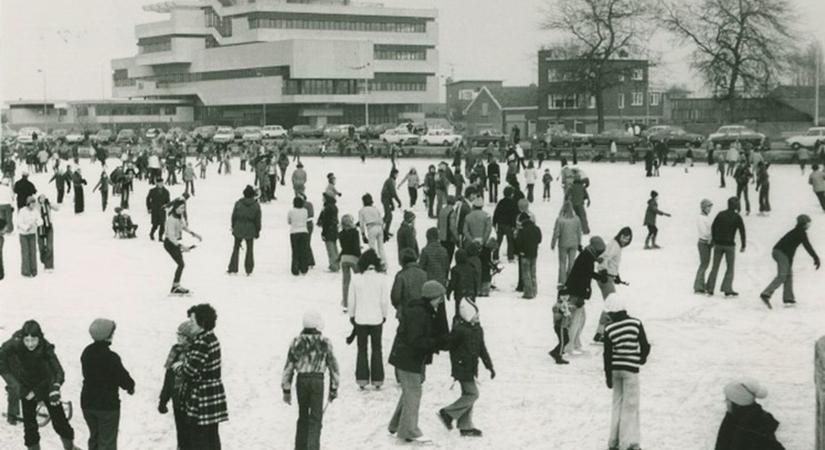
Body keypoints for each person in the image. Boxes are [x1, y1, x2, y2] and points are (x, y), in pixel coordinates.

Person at [0, 320, 79, 450]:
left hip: (45, 385)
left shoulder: (45, 347)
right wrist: (21, 389)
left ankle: (70, 447)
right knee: (30, 426)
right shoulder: (12, 345)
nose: (30, 344)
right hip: (26, 388)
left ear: (40, 338)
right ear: (22, 338)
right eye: (27, 340)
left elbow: (58, 370)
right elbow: (2, 366)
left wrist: (55, 388)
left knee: (60, 421)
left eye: (34, 340)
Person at [388, 280, 449, 443]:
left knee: (409, 391)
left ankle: (396, 425)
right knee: (413, 392)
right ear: (432, 297)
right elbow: (415, 340)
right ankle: (409, 430)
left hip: (408, 357)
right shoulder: (419, 313)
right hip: (407, 358)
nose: (441, 302)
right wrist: (434, 343)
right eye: (440, 298)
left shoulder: (425, 310)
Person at [282, 311, 340, 450]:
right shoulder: (324, 342)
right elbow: (333, 367)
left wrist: (286, 389)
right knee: (315, 418)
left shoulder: (296, 342)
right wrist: (333, 388)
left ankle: (300, 447)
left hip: (301, 380)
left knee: (302, 416)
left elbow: (289, 367)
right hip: (317, 381)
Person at [437, 299, 494, 438]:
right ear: (468, 315)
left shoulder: (477, 329)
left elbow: (482, 349)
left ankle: (465, 426)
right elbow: (448, 344)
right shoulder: (460, 331)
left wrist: (489, 366)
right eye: (476, 315)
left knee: (467, 395)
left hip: (471, 367)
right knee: (473, 394)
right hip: (462, 367)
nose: (478, 317)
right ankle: (447, 413)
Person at [173, 304, 228, 450]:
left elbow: (190, 370)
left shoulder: (202, 342)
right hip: (211, 394)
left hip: (202, 397)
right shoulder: (211, 338)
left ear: (202, 323)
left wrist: (179, 366)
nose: (190, 325)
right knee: (211, 436)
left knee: (199, 437)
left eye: (192, 322)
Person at [603, 295, 650, 450]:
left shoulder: (609, 329)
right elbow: (645, 345)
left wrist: (608, 376)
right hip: (631, 371)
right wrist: (641, 359)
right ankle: (627, 443)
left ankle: (613, 442)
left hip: (616, 370)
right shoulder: (635, 324)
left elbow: (607, 355)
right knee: (630, 407)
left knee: (617, 405)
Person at [81, 318, 135, 450]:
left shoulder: (87, 352)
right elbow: (123, 378)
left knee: (94, 437)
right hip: (107, 406)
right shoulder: (111, 357)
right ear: (108, 336)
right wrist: (130, 386)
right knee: (107, 442)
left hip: (88, 403)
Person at [347, 250, 389, 389]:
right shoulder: (382, 279)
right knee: (377, 349)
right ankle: (377, 380)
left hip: (360, 318)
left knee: (362, 349)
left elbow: (351, 300)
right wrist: (384, 315)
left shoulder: (356, 278)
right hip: (376, 318)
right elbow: (384, 301)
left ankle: (362, 379)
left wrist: (352, 316)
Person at [759, 215, 820, 308]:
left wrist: (789, 262)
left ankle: (788, 298)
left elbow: (791, 248)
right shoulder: (800, 232)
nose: (809, 225)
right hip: (780, 252)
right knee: (782, 275)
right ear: (803, 224)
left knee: (788, 274)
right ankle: (766, 294)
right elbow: (807, 246)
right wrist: (816, 257)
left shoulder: (797, 231)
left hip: (782, 253)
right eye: (808, 223)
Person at [158, 321, 198, 450]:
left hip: (192, 400)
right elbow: (168, 378)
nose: (178, 338)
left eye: (182, 336)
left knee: (193, 434)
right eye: (178, 335)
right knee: (181, 433)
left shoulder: (195, 355)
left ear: (190, 338)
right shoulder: (175, 351)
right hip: (177, 399)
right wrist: (163, 399)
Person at [715, 378, 785, 450]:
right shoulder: (733, 420)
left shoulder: (754, 429)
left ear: (737, 404)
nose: (725, 401)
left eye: (728, 399)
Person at [564, 236, 606, 354]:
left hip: (577, 291)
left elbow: (588, 271)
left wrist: (599, 272)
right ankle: (569, 346)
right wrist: (581, 297)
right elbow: (583, 277)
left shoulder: (588, 255)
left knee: (581, 319)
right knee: (575, 320)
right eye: (599, 252)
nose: (600, 254)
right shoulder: (586, 257)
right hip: (576, 293)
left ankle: (575, 342)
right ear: (595, 249)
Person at [706, 197, 746, 297]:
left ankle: (710, 288)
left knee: (715, 267)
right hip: (729, 246)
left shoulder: (720, 214)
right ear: (736, 206)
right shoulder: (737, 217)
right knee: (730, 267)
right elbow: (742, 231)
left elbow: (713, 227)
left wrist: (714, 240)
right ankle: (727, 289)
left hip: (718, 245)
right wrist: (743, 244)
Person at [164, 200, 202, 294]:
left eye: (184, 208)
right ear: (176, 208)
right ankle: (175, 287)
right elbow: (171, 236)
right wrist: (181, 246)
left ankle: (176, 286)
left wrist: (194, 234)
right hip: (169, 243)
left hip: (175, 243)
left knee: (181, 264)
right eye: (181, 208)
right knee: (181, 264)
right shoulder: (171, 220)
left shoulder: (179, 216)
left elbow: (183, 227)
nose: (183, 210)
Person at [228, 185, 262, 276]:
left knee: (236, 248)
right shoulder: (256, 205)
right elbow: (258, 219)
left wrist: (233, 226)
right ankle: (249, 269)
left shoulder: (238, 203)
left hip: (239, 226)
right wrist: (258, 230)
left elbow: (234, 216)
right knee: (250, 249)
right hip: (250, 228)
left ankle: (233, 268)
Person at [551, 201, 583, 287]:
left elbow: (556, 233)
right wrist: (579, 243)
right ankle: (571, 280)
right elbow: (579, 232)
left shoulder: (560, 220)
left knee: (562, 263)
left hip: (563, 244)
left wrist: (553, 243)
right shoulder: (576, 219)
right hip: (574, 243)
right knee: (571, 263)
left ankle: (562, 281)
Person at [391, 248, 428, 316]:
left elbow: (395, 297)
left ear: (402, 261)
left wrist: (399, 307)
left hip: (406, 312)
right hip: (424, 312)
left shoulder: (401, 275)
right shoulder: (425, 274)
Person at [515, 214, 541, 299]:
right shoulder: (536, 228)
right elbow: (539, 239)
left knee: (526, 274)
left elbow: (518, 242)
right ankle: (534, 290)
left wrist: (518, 251)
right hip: (534, 253)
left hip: (524, 253)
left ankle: (528, 292)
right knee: (533, 273)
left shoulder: (522, 230)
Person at [339, 214, 362, 310]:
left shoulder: (340, 234)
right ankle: (359, 300)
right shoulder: (355, 232)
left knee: (346, 282)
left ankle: (345, 303)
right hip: (354, 258)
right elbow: (356, 247)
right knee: (359, 280)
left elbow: (343, 247)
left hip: (344, 258)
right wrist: (360, 257)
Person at [17, 195, 42, 277]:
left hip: (32, 234)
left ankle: (34, 270)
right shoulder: (22, 211)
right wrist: (27, 227)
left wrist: (37, 223)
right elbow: (19, 223)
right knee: (25, 253)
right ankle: (26, 271)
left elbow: (40, 220)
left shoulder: (35, 211)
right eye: (32, 204)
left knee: (33, 252)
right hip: (24, 234)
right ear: (28, 204)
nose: (33, 206)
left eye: (34, 204)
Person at [492, 187, 519, 262]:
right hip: (509, 225)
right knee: (510, 241)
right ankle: (510, 257)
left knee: (498, 241)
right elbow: (514, 215)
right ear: (511, 194)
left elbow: (496, 212)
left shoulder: (501, 202)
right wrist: (514, 226)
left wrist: (494, 222)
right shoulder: (513, 203)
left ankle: (495, 256)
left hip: (500, 224)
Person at [358, 194, 386, 265]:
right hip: (379, 227)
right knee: (381, 247)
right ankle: (383, 262)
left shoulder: (362, 210)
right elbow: (381, 220)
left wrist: (363, 234)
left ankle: (374, 263)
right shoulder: (375, 209)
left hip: (371, 227)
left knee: (372, 247)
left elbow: (361, 224)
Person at [694, 199, 714, 294]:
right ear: (703, 208)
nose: (710, 209)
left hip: (707, 243)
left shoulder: (705, 217)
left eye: (710, 207)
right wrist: (710, 236)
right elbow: (704, 232)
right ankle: (698, 285)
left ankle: (701, 284)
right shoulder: (701, 218)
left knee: (705, 264)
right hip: (704, 243)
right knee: (704, 264)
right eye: (708, 207)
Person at [549, 288, 573, 365]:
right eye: (563, 295)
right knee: (563, 341)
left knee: (566, 340)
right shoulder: (557, 305)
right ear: (559, 296)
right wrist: (561, 313)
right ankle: (558, 357)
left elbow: (569, 315)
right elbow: (556, 316)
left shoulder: (566, 304)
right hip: (560, 326)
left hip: (564, 326)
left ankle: (554, 352)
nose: (565, 297)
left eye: (567, 295)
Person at [288, 196, 311, 276]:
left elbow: (289, 221)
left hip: (294, 232)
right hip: (304, 231)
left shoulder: (291, 211)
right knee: (303, 251)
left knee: (295, 251)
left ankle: (295, 269)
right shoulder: (305, 211)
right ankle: (304, 268)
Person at [318, 195, 340, 272]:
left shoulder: (327, 208)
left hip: (329, 230)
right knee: (334, 247)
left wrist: (323, 233)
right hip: (334, 229)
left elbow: (326, 221)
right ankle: (337, 264)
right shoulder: (335, 207)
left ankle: (333, 265)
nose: (322, 199)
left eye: (323, 198)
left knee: (330, 249)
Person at [36, 194, 56, 272]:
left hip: (48, 226)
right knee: (41, 246)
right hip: (40, 227)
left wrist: (50, 203)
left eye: (44, 198)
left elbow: (57, 208)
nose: (43, 199)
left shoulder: (48, 204)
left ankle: (49, 266)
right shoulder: (36, 206)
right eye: (41, 198)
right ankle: (43, 259)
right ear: (39, 199)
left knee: (49, 246)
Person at [382, 169, 403, 237]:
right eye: (396, 174)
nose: (397, 175)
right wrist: (399, 201)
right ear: (393, 174)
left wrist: (392, 203)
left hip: (388, 198)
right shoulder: (390, 181)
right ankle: (383, 231)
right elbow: (393, 193)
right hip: (385, 198)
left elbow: (391, 194)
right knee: (389, 216)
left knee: (387, 216)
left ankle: (385, 231)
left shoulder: (392, 180)